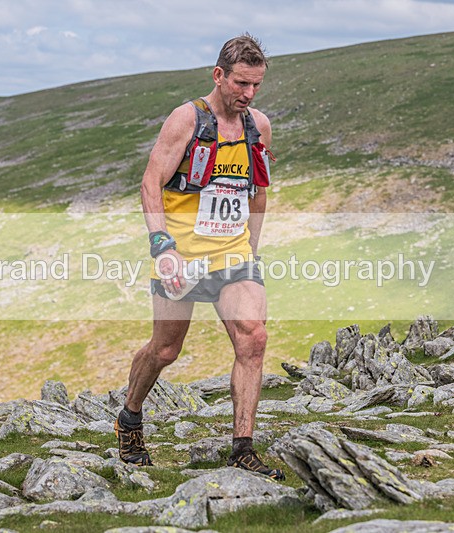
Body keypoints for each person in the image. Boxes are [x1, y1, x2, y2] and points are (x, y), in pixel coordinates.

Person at [114, 34, 284, 480]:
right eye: (241, 84)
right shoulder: (186, 120)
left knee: (254, 337)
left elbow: (259, 193)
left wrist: (252, 248)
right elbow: (151, 184)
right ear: (218, 75)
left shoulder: (257, 127)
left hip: (233, 254)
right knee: (166, 350)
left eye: (256, 86)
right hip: (182, 256)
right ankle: (130, 416)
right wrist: (161, 247)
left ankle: (242, 448)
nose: (248, 95)